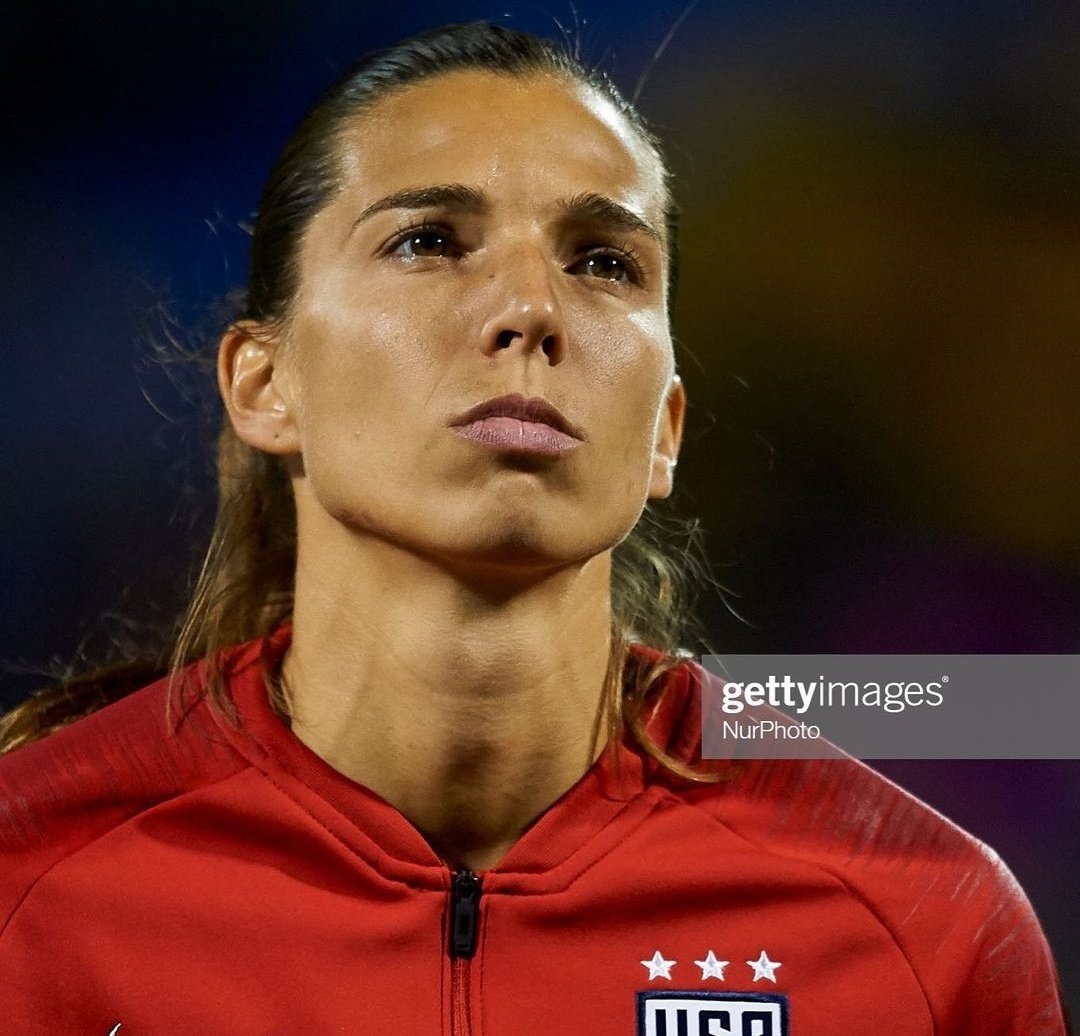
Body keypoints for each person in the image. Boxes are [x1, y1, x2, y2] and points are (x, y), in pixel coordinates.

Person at [0, 21, 1069, 1035]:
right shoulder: (29, 885)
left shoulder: (919, 925)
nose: (529, 309)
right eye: (428, 240)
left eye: (602, 261)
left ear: (666, 431)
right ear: (265, 382)